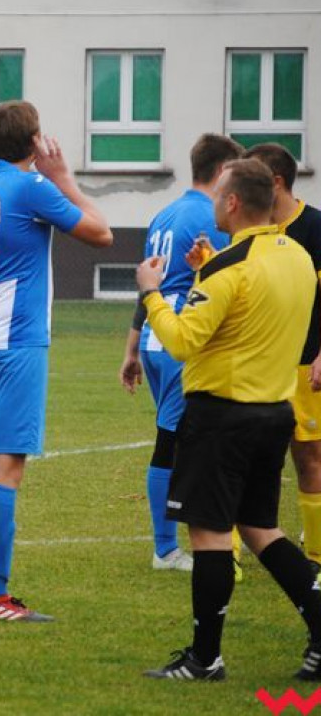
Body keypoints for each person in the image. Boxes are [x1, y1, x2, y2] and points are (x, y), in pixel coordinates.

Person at [139, 158, 321, 681]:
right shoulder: (299, 256)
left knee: (210, 534)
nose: (213, 202)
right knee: (262, 528)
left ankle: (204, 658)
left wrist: (151, 290)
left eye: (218, 195)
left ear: (233, 202)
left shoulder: (228, 269)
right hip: (274, 410)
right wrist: (206, 267)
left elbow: (180, 341)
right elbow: (250, 312)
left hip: (221, 416)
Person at [0, 100, 112, 621]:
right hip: (18, 339)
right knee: (7, 465)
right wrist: (63, 177)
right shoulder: (30, 187)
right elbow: (101, 232)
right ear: (34, 142)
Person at [119, 134, 243, 573]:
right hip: (180, 339)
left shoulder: (164, 214)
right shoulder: (210, 217)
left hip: (157, 337)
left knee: (174, 437)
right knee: (173, 441)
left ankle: (186, 539)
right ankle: (167, 548)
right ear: (223, 169)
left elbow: (146, 283)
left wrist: (132, 348)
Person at [244, 142, 321, 574]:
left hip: (304, 364)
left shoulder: (314, 227)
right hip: (260, 366)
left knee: (309, 456)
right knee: (251, 457)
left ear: (275, 182)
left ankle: (316, 557)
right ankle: (242, 550)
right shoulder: (252, 231)